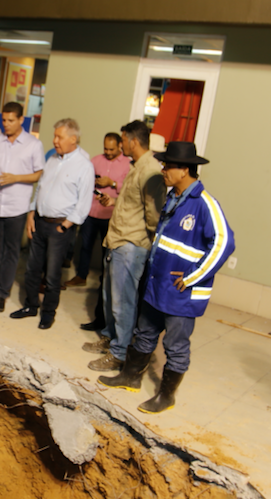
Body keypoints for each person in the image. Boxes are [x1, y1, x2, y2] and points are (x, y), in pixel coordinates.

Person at [97, 141, 234, 413]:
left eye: (168, 165)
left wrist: (193, 277)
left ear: (184, 170)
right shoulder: (173, 197)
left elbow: (224, 243)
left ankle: (166, 396)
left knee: (175, 345)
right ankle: (130, 377)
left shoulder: (205, 204)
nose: (163, 169)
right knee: (144, 333)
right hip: (157, 285)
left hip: (182, 293)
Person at [83, 120, 165, 371]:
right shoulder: (136, 166)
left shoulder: (150, 170)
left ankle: (119, 353)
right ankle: (110, 337)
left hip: (131, 245)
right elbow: (133, 203)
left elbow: (153, 215)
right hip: (117, 240)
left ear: (133, 141)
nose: (121, 144)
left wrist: (142, 241)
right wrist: (114, 203)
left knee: (123, 302)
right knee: (110, 297)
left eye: (123, 140)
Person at [10, 118, 94, 329]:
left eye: (59, 137)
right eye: (55, 136)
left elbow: (84, 203)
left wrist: (65, 226)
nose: (55, 140)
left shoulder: (84, 166)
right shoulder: (52, 159)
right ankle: (31, 306)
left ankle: (48, 313)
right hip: (39, 221)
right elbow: (40, 188)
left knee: (52, 274)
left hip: (59, 228)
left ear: (73, 139)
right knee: (31, 270)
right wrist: (31, 212)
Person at [0, 102, 45, 313]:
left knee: (11, 252)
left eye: (10, 120)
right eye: (4, 120)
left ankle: (2, 294)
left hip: (17, 206)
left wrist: (16, 178)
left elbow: (39, 174)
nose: (6, 124)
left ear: (21, 120)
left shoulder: (33, 144)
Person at [66, 133, 131, 286]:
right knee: (85, 246)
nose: (107, 152)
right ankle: (81, 276)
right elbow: (83, 180)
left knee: (108, 251)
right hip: (91, 211)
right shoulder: (95, 160)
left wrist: (112, 183)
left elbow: (129, 190)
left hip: (111, 215)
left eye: (111, 149)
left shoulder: (128, 165)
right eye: (105, 149)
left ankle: (105, 280)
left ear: (119, 146)